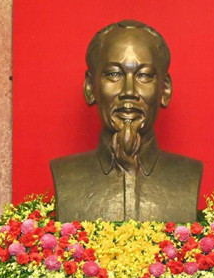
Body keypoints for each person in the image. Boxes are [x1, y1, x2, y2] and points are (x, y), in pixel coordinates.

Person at [50, 19, 202, 223]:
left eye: (144, 75)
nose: (129, 92)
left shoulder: (188, 175)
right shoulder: (66, 175)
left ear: (164, 89)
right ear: (90, 87)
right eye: (114, 74)